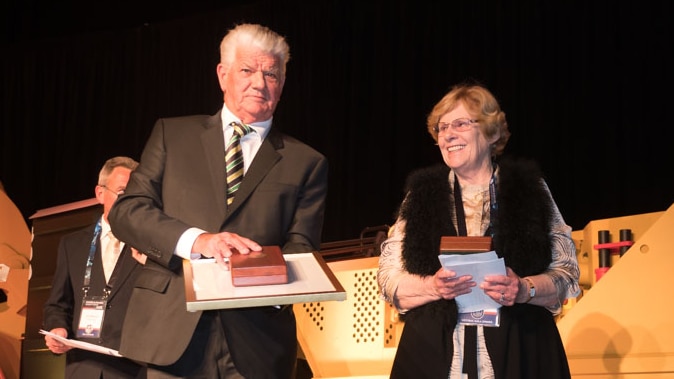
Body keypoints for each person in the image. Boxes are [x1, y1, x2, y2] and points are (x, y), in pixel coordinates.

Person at [108, 23, 328, 378]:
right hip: (172, 331)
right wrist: (200, 241)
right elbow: (128, 211)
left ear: (283, 84)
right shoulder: (172, 135)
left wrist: (264, 277)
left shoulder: (307, 162)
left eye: (271, 73)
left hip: (257, 341)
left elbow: (301, 246)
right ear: (223, 75)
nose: (259, 82)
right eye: (247, 70)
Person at [377, 83, 580, 379]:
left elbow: (566, 274)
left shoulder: (529, 190)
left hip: (519, 349)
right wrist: (432, 286)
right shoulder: (421, 195)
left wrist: (523, 288)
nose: (447, 135)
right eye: (441, 127)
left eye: (460, 123)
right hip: (433, 354)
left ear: (492, 132)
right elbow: (388, 279)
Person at [42, 156, 145, 379]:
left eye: (136, 194)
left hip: (133, 369)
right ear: (100, 193)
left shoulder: (151, 245)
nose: (130, 200)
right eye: (122, 191)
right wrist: (57, 329)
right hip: (83, 367)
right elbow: (57, 305)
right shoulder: (73, 244)